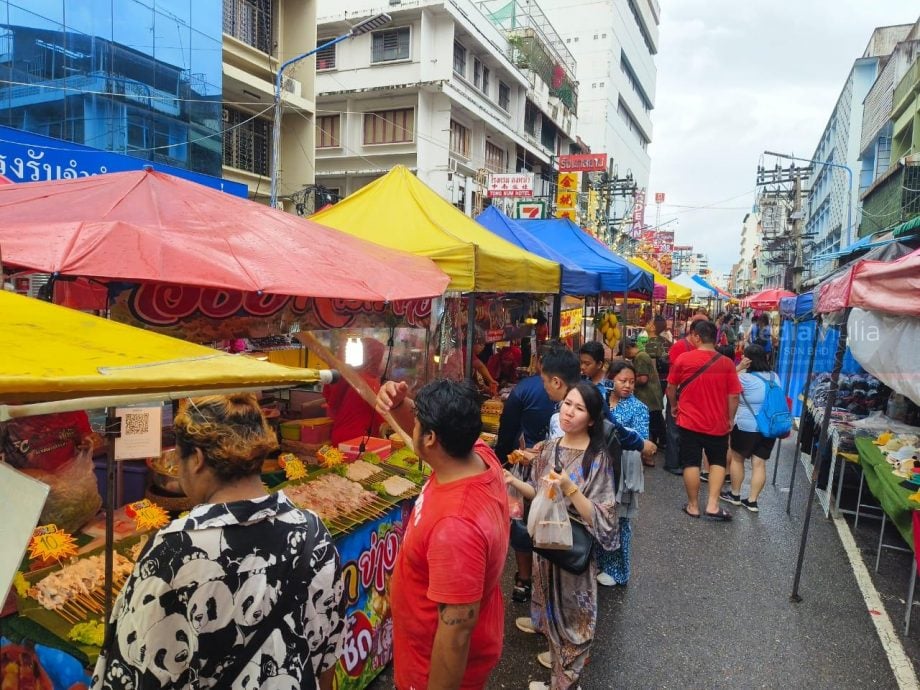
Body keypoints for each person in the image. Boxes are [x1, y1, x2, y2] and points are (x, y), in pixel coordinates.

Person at [92, 394, 347, 689]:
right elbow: (327, 655)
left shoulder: (174, 552)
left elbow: (133, 668)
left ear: (197, 459)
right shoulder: (314, 532)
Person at [375, 379, 509, 690]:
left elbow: (456, 634)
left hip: (430, 672)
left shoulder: (456, 528)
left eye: (417, 420)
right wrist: (398, 404)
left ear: (432, 437)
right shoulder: (478, 454)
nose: (412, 423)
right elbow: (425, 432)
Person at [503, 382, 619, 690]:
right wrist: (511, 480)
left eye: (579, 408)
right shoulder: (548, 448)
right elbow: (537, 494)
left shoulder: (597, 458)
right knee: (551, 621)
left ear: (592, 419)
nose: (569, 412)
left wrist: (570, 488)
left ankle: (565, 684)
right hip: (546, 549)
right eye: (567, 404)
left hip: (574, 555)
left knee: (575, 626)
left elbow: (604, 517)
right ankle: (559, 683)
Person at [494, 344, 557, 604]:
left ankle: (523, 579)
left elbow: (507, 428)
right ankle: (549, 583)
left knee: (520, 521)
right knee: (552, 523)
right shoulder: (579, 392)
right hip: (559, 470)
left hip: (526, 465)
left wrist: (500, 459)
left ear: (539, 361)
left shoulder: (525, 389)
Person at [666, 320, 741, 520]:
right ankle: (713, 505)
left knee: (691, 462)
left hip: (689, 422)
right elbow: (734, 396)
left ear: (697, 337)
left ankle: (693, 506)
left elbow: (671, 388)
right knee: (717, 461)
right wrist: (730, 419)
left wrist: (674, 406)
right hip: (717, 423)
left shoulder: (683, 359)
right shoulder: (726, 363)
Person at [597, 361, 649, 587]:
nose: (627, 386)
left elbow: (642, 440)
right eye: (622, 381)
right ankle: (600, 562)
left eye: (631, 382)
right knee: (600, 515)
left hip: (624, 467)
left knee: (621, 520)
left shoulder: (639, 408)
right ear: (611, 379)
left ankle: (618, 571)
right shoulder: (602, 399)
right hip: (600, 465)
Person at [721, 344, 782, 512]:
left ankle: (735, 494)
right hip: (769, 426)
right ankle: (753, 501)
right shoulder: (774, 377)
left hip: (745, 425)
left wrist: (739, 367)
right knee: (759, 463)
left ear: (747, 359)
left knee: (737, 459)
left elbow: (723, 379)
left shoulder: (743, 378)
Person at [323, 336, 386, 445]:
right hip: (359, 441)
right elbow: (384, 416)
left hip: (341, 435)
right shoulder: (367, 382)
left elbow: (330, 399)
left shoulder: (351, 376)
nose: (384, 362)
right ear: (374, 358)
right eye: (382, 357)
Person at [662, 328, 697, 475]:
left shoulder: (698, 347)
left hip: (689, 394)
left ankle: (682, 461)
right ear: (694, 333)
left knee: (683, 429)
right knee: (674, 428)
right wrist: (673, 401)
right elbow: (673, 376)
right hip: (677, 392)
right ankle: (672, 462)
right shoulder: (679, 346)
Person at [625, 338, 663, 464]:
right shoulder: (642, 355)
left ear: (628, 348)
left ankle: (648, 457)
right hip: (652, 397)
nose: (625, 356)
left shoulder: (640, 357)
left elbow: (643, 379)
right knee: (654, 425)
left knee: (648, 427)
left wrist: (627, 382)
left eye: (624, 352)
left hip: (648, 397)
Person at [579, 341, 613, 410]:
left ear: (599, 364)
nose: (582, 367)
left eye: (587, 364)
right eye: (581, 362)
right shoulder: (580, 380)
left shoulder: (610, 384)